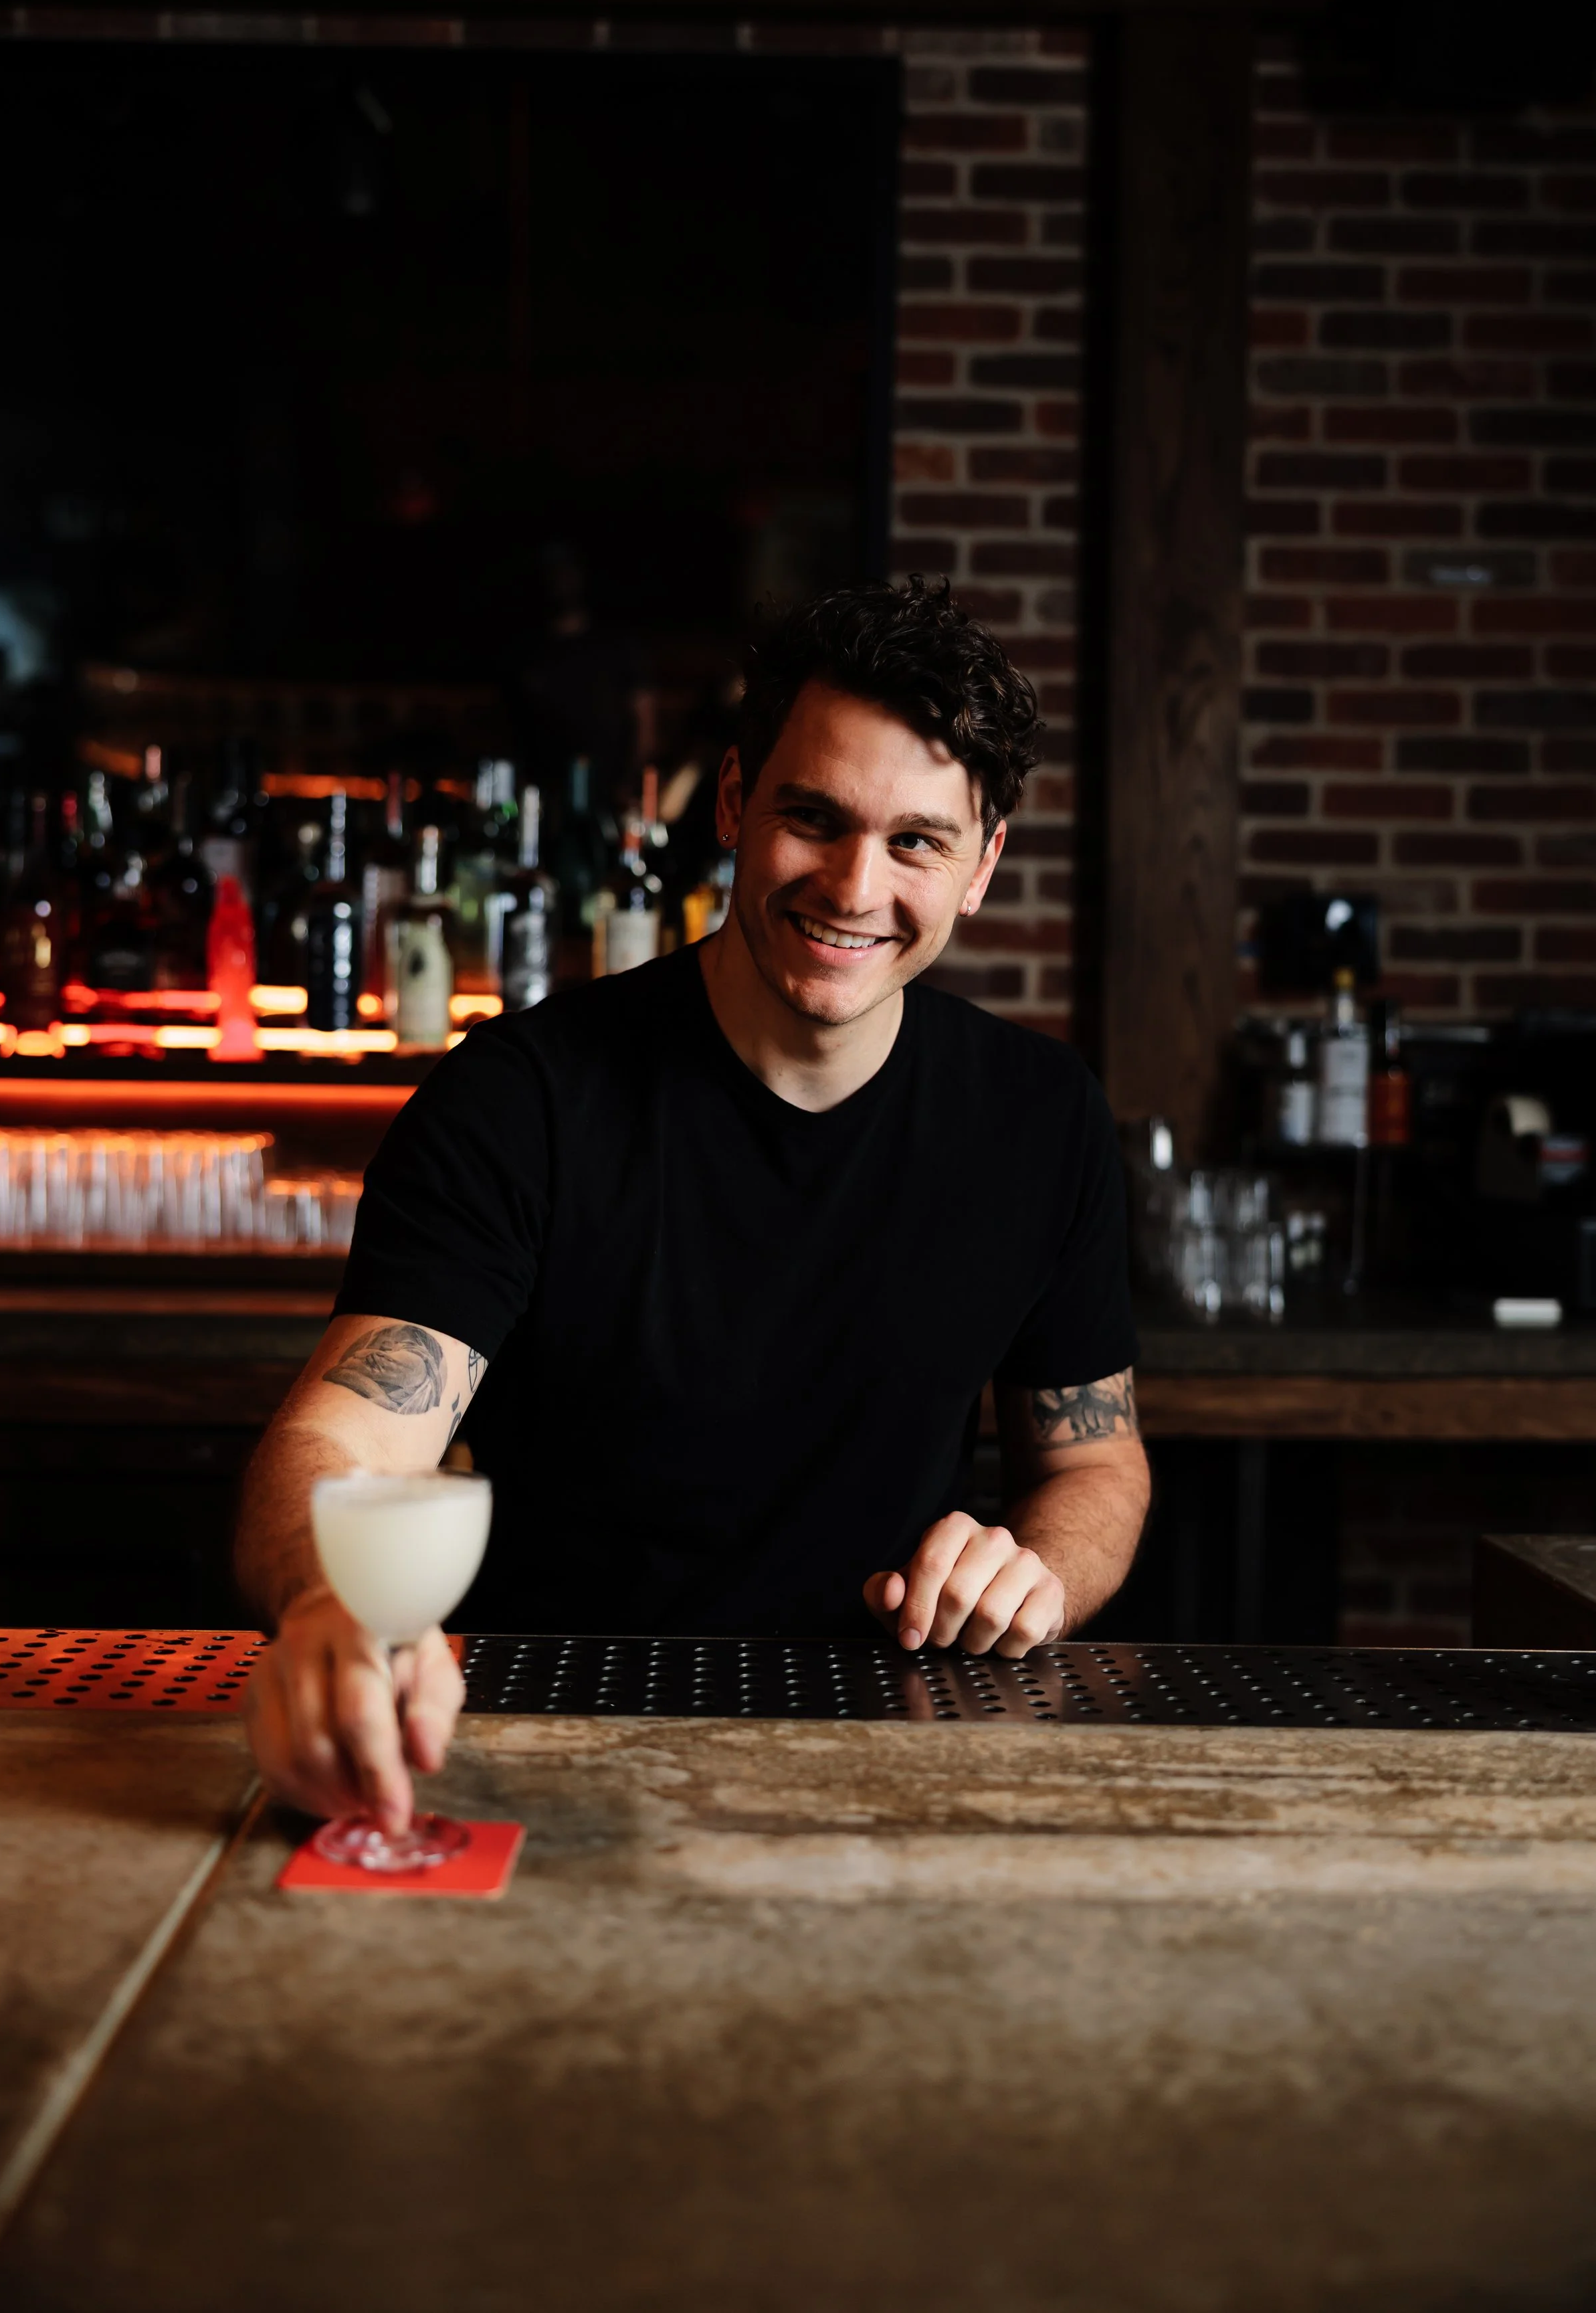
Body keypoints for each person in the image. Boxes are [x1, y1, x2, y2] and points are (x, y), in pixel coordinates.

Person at [238, 578, 1150, 1830]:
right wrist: (335, 1607)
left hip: (898, 1752)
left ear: (982, 864)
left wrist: (1036, 1569)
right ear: (733, 803)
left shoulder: (1039, 1116)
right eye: (812, 818)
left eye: (916, 841)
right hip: (536, 1736)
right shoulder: (525, 1101)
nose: (852, 883)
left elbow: (1094, 1458)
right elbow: (334, 1446)